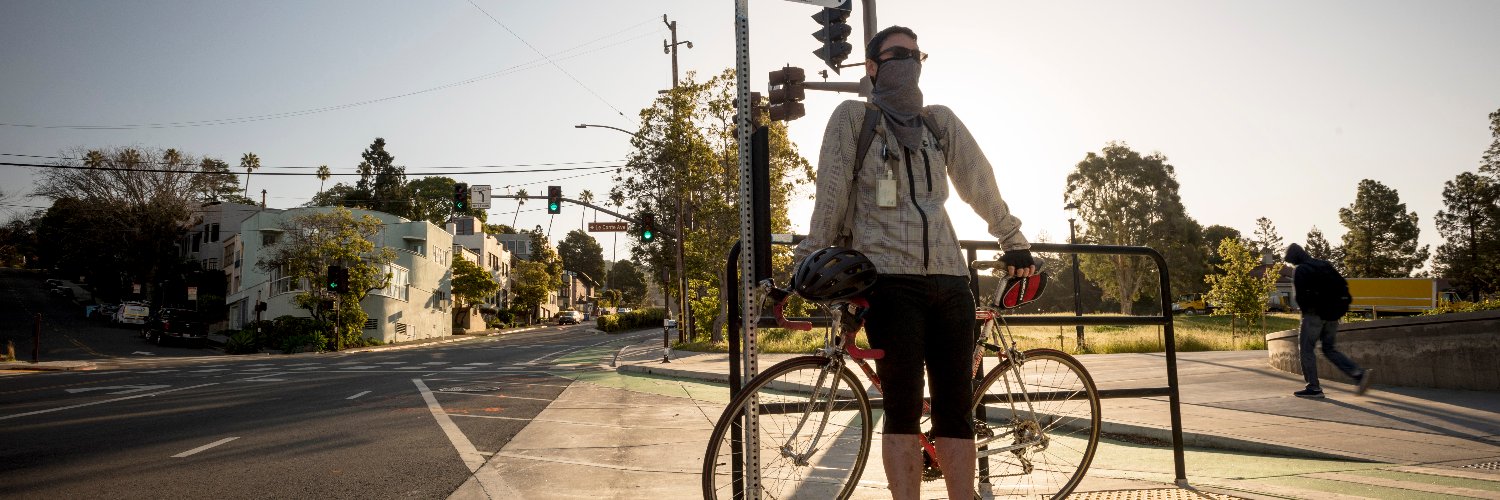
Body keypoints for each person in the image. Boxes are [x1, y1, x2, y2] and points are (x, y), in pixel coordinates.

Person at [791, 25, 1035, 499]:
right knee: (901, 408)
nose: (909, 61)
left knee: (955, 409)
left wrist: (1012, 238)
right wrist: (806, 263)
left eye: (916, 54)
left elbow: (978, 182)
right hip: (889, 282)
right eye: (896, 54)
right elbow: (831, 196)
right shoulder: (854, 119)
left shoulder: (939, 123)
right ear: (873, 67)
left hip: (950, 278)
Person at [1285, 243, 1373, 398]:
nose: (1293, 264)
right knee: (1329, 349)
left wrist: (1307, 311)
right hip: (1332, 316)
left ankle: (1314, 388)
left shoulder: (1300, 270)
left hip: (1313, 316)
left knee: (1306, 350)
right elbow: (1342, 286)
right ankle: (1358, 373)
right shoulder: (1324, 265)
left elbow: (1300, 297)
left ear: (1295, 258)